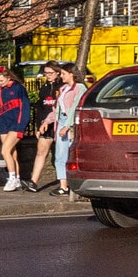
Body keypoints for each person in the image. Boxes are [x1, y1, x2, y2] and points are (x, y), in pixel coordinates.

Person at [51, 63, 88, 198]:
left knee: (72, 154)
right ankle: (63, 186)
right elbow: (57, 109)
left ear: (71, 74)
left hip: (71, 123)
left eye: (63, 74)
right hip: (61, 120)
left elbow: (75, 108)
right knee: (60, 155)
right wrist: (47, 121)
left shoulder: (80, 88)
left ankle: (74, 185)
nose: (61, 76)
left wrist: (67, 125)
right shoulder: (63, 89)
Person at [0, 65, 30, 191]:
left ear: (8, 77)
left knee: (5, 151)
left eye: (1, 80)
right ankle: (17, 179)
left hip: (15, 124)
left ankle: (12, 178)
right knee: (12, 153)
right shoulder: (0, 90)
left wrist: (21, 126)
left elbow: (25, 108)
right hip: (3, 124)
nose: (0, 83)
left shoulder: (18, 88)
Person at [28, 60, 62, 190]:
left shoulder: (62, 87)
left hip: (59, 124)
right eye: (46, 73)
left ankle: (64, 184)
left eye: (50, 73)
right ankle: (33, 181)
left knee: (61, 155)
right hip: (45, 125)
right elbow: (40, 108)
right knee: (41, 151)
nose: (48, 75)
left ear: (57, 73)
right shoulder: (44, 88)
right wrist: (39, 126)